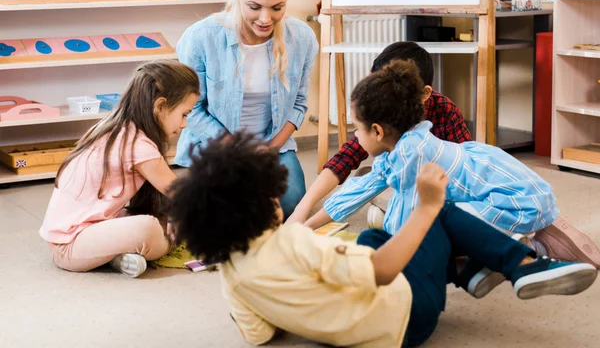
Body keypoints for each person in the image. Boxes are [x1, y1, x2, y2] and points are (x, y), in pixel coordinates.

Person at [167, 131, 597, 347]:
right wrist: (428, 205)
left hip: (355, 319)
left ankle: (470, 273)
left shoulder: (233, 275)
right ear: (265, 205)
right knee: (437, 214)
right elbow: (382, 270)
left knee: (375, 234)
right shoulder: (294, 244)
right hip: (407, 318)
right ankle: (522, 265)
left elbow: (258, 334)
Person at [303, 59, 600, 298]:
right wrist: (304, 226)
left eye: (357, 128)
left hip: (517, 201)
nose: (355, 135)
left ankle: (530, 252)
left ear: (378, 131)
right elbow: (359, 189)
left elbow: (405, 227)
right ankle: (478, 266)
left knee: (428, 223)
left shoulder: (412, 157)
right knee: (420, 220)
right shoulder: (408, 143)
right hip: (509, 190)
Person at [175, 0, 319, 219]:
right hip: (215, 146)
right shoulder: (200, 38)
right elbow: (193, 110)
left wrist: (270, 148)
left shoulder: (303, 39)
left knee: (290, 205)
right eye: (254, 6)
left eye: (277, 8)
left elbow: (298, 104)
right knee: (224, 213)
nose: (265, 18)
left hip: (271, 145)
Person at [39, 60, 200, 278]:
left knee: (154, 214)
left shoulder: (116, 129)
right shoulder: (137, 144)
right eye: (184, 114)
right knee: (151, 227)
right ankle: (159, 243)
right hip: (71, 246)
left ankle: (116, 257)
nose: (184, 124)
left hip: (82, 233)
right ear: (160, 106)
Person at [287, 41, 471, 227]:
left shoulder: (440, 114)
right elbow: (347, 160)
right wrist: (301, 212)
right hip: (405, 181)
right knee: (367, 177)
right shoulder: (382, 113)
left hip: (444, 189)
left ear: (425, 94)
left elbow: (466, 170)